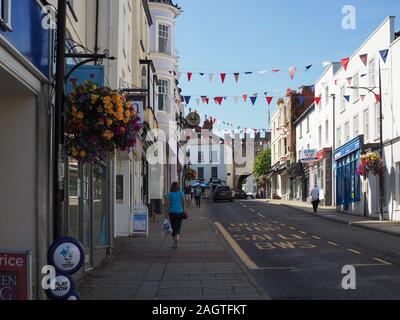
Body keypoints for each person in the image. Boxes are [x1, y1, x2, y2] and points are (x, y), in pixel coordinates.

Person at [165, 182, 187, 249]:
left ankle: (175, 240)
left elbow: (167, 204)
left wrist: (166, 213)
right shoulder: (181, 193)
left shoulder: (170, 194)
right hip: (179, 212)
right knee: (178, 228)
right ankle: (176, 241)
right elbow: (184, 203)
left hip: (171, 213)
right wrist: (184, 210)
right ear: (178, 186)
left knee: (173, 227)